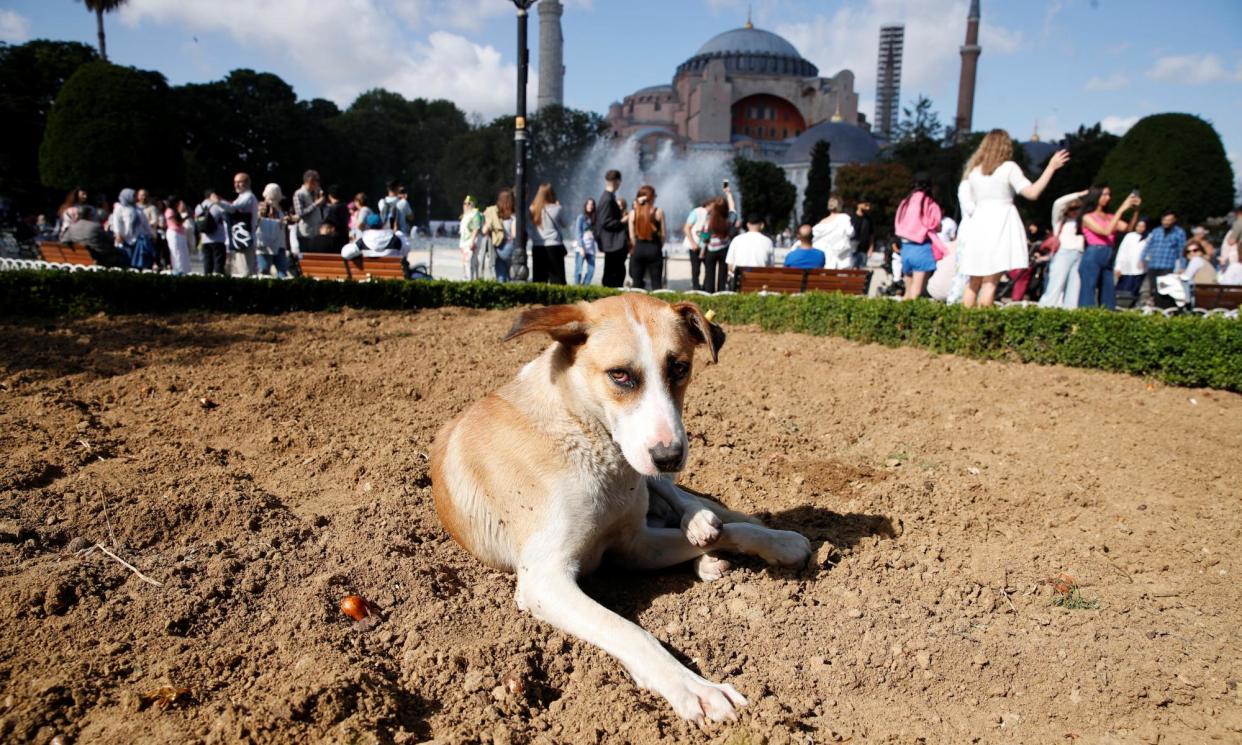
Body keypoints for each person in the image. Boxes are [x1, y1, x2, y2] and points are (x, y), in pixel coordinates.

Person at [957, 129, 1070, 308]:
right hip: (1000, 223)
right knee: (990, 282)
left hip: (979, 224)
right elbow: (1032, 193)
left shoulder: (974, 171)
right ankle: (981, 326)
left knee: (973, 281)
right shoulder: (1009, 168)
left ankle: (963, 325)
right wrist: (1051, 168)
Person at [1077, 186, 1141, 309]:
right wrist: (1121, 209)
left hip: (1108, 253)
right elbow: (1105, 231)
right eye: (1104, 195)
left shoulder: (1110, 217)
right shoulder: (1087, 217)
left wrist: (1136, 210)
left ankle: (1107, 317)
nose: (1108, 198)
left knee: (1108, 291)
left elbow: (1128, 229)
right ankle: (1085, 318)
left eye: (1108, 195)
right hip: (1094, 253)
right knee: (1088, 290)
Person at [892, 173, 943, 301]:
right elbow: (936, 225)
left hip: (906, 248)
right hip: (922, 247)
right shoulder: (930, 203)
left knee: (908, 292)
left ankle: (900, 319)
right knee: (917, 292)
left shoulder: (905, 202)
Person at [1038, 192, 1088, 308]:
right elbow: (1058, 203)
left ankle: (1069, 313)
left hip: (1079, 254)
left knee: (1074, 289)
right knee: (1055, 285)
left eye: (1078, 208)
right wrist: (1079, 194)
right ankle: (1045, 310)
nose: (1075, 211)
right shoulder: (1060, 221)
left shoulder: (1083, 222)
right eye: (1072, 208)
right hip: (1063, 252)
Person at [1139, 211, 1187, 307]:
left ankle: (1163, 307)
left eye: (1169, 220)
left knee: (1164, 289)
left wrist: (1182, 266)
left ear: (1174, 220)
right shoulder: (1156, 231)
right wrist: (1142, 258)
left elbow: (1182, 250)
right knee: (1153, 289)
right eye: (1165, 220)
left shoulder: (1179, 233)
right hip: (1154, 264)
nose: (1167, 222)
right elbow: (1149, 245)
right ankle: (1155, 307)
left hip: (1168, 265)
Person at [221, 172, 259, 277]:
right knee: (241, 270)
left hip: (244, 240)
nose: (236, 185)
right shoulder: (241, 197)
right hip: (239, 239)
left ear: (247, 183)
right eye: (235, 182)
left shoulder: (248, 197)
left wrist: (218, 201)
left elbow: (233, 209)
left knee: (245, 272)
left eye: (239, 182)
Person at [627, 186, 666, 289]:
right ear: (652, 197)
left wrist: (638, 246)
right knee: (656, 283)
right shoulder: (659, 212)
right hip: (654, 248)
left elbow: (631, 235)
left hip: (639, 249)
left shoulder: (633, 213)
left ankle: (636, 305)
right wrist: (658, 246)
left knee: (637, 283)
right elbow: (663, 235)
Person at [595, 170, 628, 287]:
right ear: (617, 181)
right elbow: (605, 221)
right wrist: (622, 221)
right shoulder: (607, 199)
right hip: (613, 244)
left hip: (612, 244)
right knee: (613, 275)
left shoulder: (608, 197)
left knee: (615, 273)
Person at [529, 183, 568, 284]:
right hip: (554, 245)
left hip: (538, 245)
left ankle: (539, 299)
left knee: (539, 278)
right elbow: (565, 224)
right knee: (557, 278)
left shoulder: (533, 209)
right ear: (551, 194)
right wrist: (559, 206)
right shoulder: (557, 208)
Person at [701, 186, 738, 293]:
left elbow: (705, 237)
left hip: (711, 251)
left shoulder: (708, 221)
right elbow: (733, 209)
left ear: (714, 208)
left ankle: (709, 293)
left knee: (709, 275)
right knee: (722, 275)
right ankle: (721, 293)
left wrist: (703, 249)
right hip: (724, 250)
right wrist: (728, 194)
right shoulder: (729, 220)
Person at [725, 213, 774, 288]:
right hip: (759, 283)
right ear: (762, 225)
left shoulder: (736, 240)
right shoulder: (768, 242)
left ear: (748, 225)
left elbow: (730, 266)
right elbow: (770, 267)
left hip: (739, 282)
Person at [108, 188, 154, 268]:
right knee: (126, 262)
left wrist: (150, 234)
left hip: (138, 240)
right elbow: (116, 222)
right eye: (133, 195)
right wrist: (118, 234)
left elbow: (145, 223)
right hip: (124, 239)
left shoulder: (137, 209)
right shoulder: (120, 208)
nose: (135, 197)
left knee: (138, 262)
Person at [255, 183, 290, 278]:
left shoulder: (279, 209)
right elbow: (256, 222)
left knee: (282, 273)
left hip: (279, 244)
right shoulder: (261, 207)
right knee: (265, 273)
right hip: (265, 246)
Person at [812, 195, 855, 269]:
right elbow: (850, 232)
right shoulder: (844, 218)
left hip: (825, 260)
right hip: (841, 260)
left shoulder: (821, 223)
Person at [485, 188, 517, 282]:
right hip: (510, 246)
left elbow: (485, 230)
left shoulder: (494, 214)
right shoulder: (513, 216)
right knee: (510, 274)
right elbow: (514, 235)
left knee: (500, 273)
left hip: (498, 246)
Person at [1114, 218, 1148, 302]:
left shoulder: (1148, 238)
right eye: (1138, 226)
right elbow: (1122, 251)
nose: (1140, 228)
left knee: (1135, 293)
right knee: (1122, 292)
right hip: (1126, 270)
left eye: (1142, 226)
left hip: (1139, 271)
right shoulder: (1129, 236)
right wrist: (1118, 267)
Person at [195, 189, 229, 275]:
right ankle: (218, 281)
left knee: (207, 262)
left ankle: (207, 279)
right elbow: (226, 216)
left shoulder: (198, 207)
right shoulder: (217, 206)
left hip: (205, 239)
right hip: (218, 239)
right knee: (219, 264)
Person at [682, 198, 711, 290]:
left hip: (706, 246)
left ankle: (706, 288)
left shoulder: (712, 214)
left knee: (709, 269)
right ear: (708, 204)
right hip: (695, 246)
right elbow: (687, 228)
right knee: (696, 269)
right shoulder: (696, 212)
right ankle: (696, 288)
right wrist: (693, 243)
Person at [293, 170, 326, 246]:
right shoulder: (299, 194)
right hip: (305, 234)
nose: (319, 183)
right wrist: (316, 204)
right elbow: (300, 213)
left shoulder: (315, 193)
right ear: (311, 181)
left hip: (317, 233)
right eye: (317, 181)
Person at [164, 197, 192, 275]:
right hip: (174, 233)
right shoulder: (169, 211)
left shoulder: (175, 211)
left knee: (183, 252)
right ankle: (178, 270)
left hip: (180, 233)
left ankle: (184, 270)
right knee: (176, 252)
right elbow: (176, 223)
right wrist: (186, 217)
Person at [459, 195, 484, 280]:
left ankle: (470, 282)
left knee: (469, 263)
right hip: (464, 244)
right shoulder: (465, 215)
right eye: (464, 203)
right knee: (466, 264)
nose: (466, 205)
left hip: (470, 243)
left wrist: (472, 242)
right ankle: (468, 280)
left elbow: (476, 229)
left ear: (473, 204)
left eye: (468, 203)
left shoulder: (475, 214)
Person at [574, 198, 597, 286]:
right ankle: (577, 288)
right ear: (585, 205)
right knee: (578, 270)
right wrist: (581, 247)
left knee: (591, 270)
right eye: (589, 204)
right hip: (582, 248)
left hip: (591, 248)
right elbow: (578, 232)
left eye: (592, 204)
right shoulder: (581, 217)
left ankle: (584, 287)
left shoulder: (595, 219)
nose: (590, 206)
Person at [323, 186, 352, 251]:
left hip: (334, 239)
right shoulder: (345, 207)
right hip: (345, 236)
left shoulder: (332, 208)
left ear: (330, 196)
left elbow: (329, 222)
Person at [850, 198, 875, 268]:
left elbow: (871, 234)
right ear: (859, 205)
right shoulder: (851, 217)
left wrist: (871, 247)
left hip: (864, 248)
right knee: (851, 268)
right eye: (866, 205)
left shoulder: (868, 219)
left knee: (861, 270)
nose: (868, 207)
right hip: (852, 247)